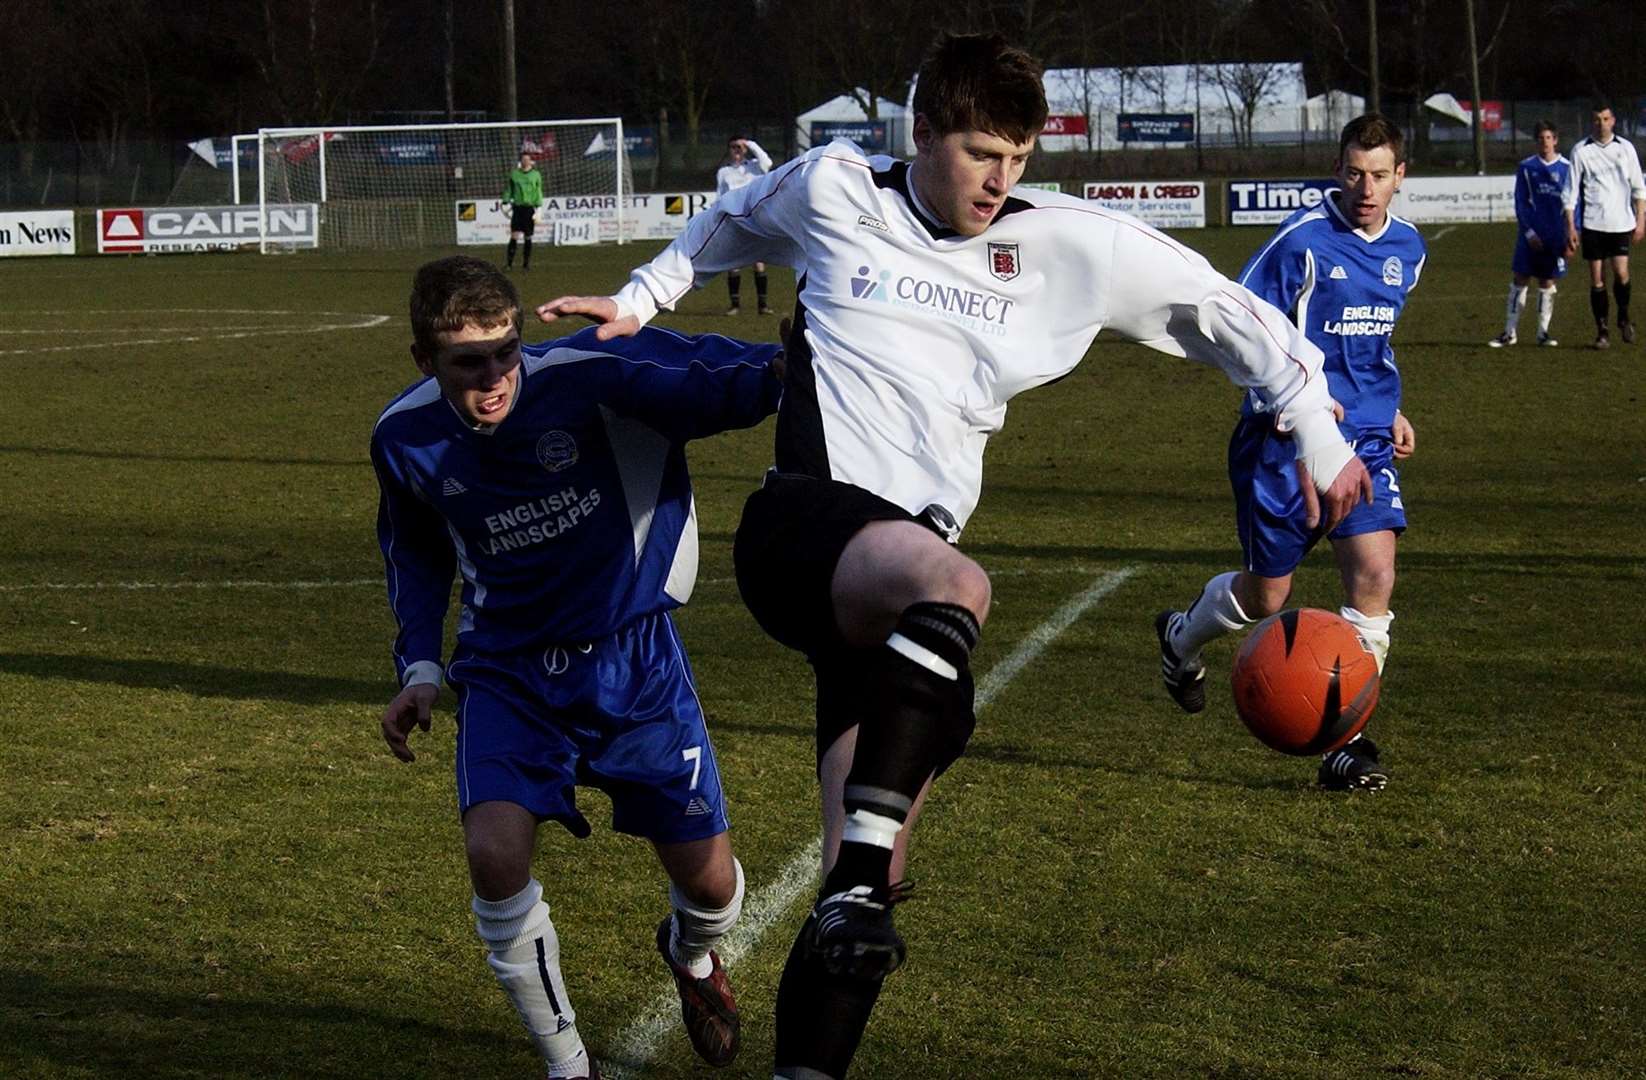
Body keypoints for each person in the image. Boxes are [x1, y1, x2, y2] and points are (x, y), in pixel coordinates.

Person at [537, 33, 1369, 1080]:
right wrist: (642, 298)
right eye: (980, 152)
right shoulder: (837, 188)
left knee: (864, 887)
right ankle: (851, 881)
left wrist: (1322, 435)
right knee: (957, 587)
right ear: (919, 131)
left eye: (1018, 158)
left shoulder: (1065, 244)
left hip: (898, 603)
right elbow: (728, 220)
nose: (999, 179)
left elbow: (1222, 311)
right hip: (801, 530)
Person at [373, 256, 784, 1078]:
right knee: (493, 856)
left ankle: (693, 955)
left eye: (505, 352)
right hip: (506, 671)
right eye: (468, 361)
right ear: (426, 360)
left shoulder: (596, 376)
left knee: (711, 886)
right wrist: (421, 664)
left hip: (632, 661)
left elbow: (735, 384)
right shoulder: (404, 437)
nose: (494, 376)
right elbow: (415, 550)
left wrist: (810, 352)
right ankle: (569, 1067)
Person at [1156, 114, 1425, 792]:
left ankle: (1346, 738)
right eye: (1355, 173)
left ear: (1401, 178)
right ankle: (1183, 639)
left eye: (1380, 174)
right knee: (1266, 594)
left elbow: (1371, 343)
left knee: (1373, 575)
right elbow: (1235, 329)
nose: (1366, 187)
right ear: (1339, 172)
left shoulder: (1410, 250)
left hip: (1362, 440)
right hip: (1282, 440)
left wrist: (1386, 408)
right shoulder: (1298, 245)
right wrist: (1294, 413)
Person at [1563, 103, 1646, 349]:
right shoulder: (1581, 151)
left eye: (1606, 118)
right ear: (1592, 122)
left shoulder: (1625, 148)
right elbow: (1570, 193)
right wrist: (1571, 226)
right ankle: (1602, 330)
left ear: (1613, 121)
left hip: (1621, 222)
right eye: (1597, 119)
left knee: (1621, 274)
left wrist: (1641, 219)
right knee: (1596, 279)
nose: (1602, 124)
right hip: (1593, 224)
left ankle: (1623, 315)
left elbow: (1638, 186)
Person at [1489, 121, 1573, 348]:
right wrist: (1528, 232)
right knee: (1520, 279)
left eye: (1548, 138)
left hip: (1556, 236)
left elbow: (1575, 204)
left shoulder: (1567, 168)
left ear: (1555, 140)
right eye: (1540, 138)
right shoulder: (1527, 167)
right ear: (1536, 141)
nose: (1544, 142)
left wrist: (1573, 235)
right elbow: (1520, 202)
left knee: (1547, 282)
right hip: (1531, 236)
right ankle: (1509, 332)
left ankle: (1543, 332)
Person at [715, 136, 775, 315]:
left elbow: (768, 162)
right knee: (734, 265)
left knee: (758, 263)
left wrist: (749, 143)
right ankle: (735, 306)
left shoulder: (756, 166)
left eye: (739, 147)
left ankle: (762, 306)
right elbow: (719, 196)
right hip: (734, 220)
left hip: (754, 220)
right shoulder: (724, 171)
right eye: (733, 147)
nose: (736, 150)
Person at [503, 150, 544, 271]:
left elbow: (538, 191)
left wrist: (539, 206)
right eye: (523, 159)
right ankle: (509, 264)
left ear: (531, 161)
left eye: (527, 159)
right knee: (514, 235)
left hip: (529, 208)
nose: (525, 161)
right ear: (520, 161)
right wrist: (505, 199)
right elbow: (509, 189)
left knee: (528, 237)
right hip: (517, 208)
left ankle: (526, 264)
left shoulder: (536, 175)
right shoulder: (514, 174)